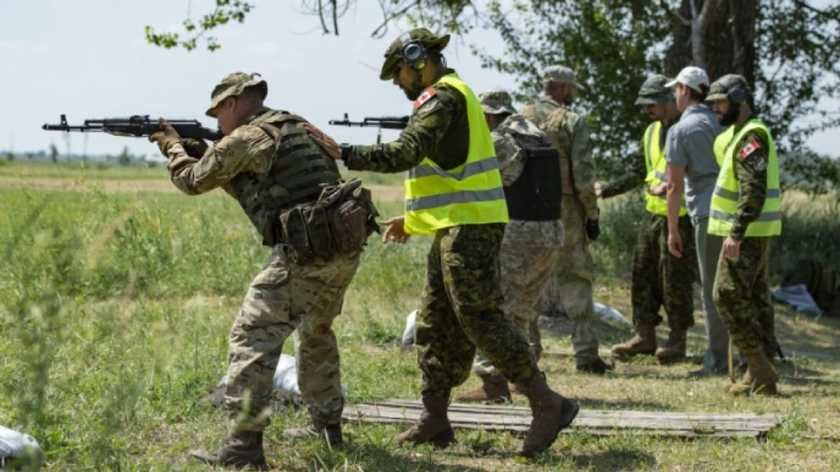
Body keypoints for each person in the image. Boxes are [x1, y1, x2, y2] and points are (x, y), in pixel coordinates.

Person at [306, 28, 578, 457]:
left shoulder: (444, 98)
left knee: (481, 317)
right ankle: (435, 418)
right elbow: (446, 175)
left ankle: (546, 402)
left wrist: (341, 151)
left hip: (471, 226)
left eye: (397, 72)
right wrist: (413, 223)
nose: (396, 82)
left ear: (417, 60)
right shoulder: (447, 98)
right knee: (435, 319)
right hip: (456, 224)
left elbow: (406, 153)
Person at [149, 72, 376, 469]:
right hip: (342, 247)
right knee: (316, 331)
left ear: (234, 103)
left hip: (304, 254)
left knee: (252, 336)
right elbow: (255, 184)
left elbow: (190, 181)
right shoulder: (294, 126)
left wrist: (172, 148)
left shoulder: (246, 138)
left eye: (218, 112)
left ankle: (243, 449)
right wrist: (205, 150)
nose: (218, 121)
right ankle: (327, 429)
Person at [455, 90, 565, 403]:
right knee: (522, 311)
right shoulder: (538, 136)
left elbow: (481, 181)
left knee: (496, 310)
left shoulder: (501, 141)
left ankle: (494, 383)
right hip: (551, 233)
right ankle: (523, 376)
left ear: (489, 115)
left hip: (519, 236)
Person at [520, 66, 610, 374]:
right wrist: (592, 215)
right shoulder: (572, 121)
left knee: (527, 279)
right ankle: (586, 353)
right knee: (576, 277)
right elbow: (583, 176)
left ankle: (527, 352)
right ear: (562, 88)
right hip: (566, 210)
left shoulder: (519, 118)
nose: (574, 94)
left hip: (527, 210)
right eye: (572, 89)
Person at [606, 75, 697, 364]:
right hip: (653, 215)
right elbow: (637, 170)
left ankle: (677, 340)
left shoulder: (688, 130)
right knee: (642, 274)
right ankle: (644, 336)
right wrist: (605, 189)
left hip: (681, 217)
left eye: (652, 104)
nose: (647, 110)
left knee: (675, 281)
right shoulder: (649, 133)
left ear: (670, 101)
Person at [706, 74, 782, 395]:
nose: (716, 109)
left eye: (721, 103)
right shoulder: (738, 135)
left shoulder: (752, 136)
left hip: (746, 232)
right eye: (713, 104)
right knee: (754, 299)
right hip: (749, 231)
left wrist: (736, 233)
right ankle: (756, 371)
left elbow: (753, 190)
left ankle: (761, 370)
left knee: (726, 294)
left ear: (739, 101)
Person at [663, 66, 727, 376]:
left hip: (706, 212)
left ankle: (717, 361)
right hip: (736, 210)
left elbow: (674, 185)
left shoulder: (680, 130)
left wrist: (672, 229)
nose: (674, 95)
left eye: (675, 90)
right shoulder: (722, 122)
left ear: (685, 91)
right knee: (737, 285)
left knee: (712, 289)